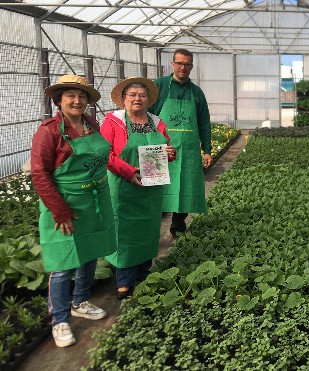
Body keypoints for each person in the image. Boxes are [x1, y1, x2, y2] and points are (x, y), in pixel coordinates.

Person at [31, 75, 116, 347]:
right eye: (70, 95)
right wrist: (60, 211)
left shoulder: (90, 123)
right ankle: (60, 319)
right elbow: (40, 173)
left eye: (82, 96)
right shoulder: (49, 131)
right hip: (66, 203)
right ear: (59, 100)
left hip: (92, 201)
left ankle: (80, 301)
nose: (77, 100)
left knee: (89, 253)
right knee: (63, 263)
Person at [102, 77, 177, 300]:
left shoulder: (156, 121)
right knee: (124, 231)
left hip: (151, 187)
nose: (137, 99)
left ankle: (144, 273)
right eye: (132, 95)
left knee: (148, 229)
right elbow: (105, 155)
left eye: (142, 95)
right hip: (123, 186)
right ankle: (124, 279)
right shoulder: (113, 121)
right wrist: (130, 172)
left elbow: (166, 149)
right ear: (123, 99)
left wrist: (170, 154)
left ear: (148, 100)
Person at [149, 48, 211, 237]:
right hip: (158, 147)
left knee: (184, 185)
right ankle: (150, 228)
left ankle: (178, 225)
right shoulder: (158, 86)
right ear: (172, 64)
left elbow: (204, 123)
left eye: (187, 64)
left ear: (192, 66)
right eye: (180, 63)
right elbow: (146, 116)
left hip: (188, 149)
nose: (183, 67)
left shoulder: (197, 93)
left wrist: (207, 149)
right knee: (154, 187)